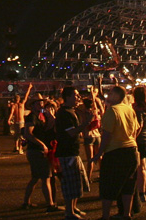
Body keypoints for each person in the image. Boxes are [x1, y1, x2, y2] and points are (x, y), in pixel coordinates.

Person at [93, 84, 140, 220]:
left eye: (110, 93)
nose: (108, 95)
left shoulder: (112, 111)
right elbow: (136, 129)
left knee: (108, 185)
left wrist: (99, 153)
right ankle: (127, 214)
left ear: (116, 96)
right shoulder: (129, 109)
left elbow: (106, 135)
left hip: (115, 152)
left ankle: (105, 216)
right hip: (131, 150)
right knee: (128, 185)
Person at [55, 86, 89, 220]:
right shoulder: (64, 113)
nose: (78, 97)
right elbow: (71, 132)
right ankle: (69, 212)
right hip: (66, 152)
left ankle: (73, 208)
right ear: (67, 97)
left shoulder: (72, 111)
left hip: (73, 151)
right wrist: (86, 123)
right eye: (76, 95)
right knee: (70, 183)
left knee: (76, 181)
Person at [21, 97, 58, 211]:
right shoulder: (32, 117)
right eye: (38, 103)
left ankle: (26, 202)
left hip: (37, 150)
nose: (41, 104)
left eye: (42, 102)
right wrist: (42, 144)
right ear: (32, 105)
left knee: (35, 178)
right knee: (46, 177)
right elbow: (28, 134)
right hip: (36, 150)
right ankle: (50, 204)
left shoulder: (40, 116)